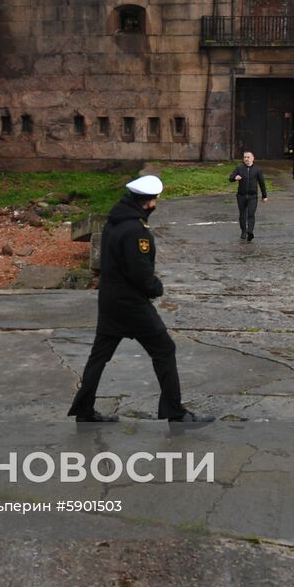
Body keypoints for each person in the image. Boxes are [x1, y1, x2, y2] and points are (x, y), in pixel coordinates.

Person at [67, 176, 213, 424]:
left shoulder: (115, 222)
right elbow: (139, 271)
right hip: (131, 304)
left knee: (99, 356)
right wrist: (155, 287)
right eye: (155, 200)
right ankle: (175, 412)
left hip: (109, 300)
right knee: (164, 349)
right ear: (147, 202)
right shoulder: (136, 230)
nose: (155, 204)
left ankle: (84, 410)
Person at [229, 151, 269, 242]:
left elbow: (262, 183)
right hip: (241, 196)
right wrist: (235, 178)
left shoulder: (257, 169)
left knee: (251, 214)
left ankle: (250, 232)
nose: (246, 159)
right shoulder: (239, 168)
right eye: (245, 157)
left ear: (252, 158)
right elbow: (230, 178)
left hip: (252, 196)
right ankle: (243, 231)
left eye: (248, 157)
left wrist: (264, 196)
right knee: (242, 215)